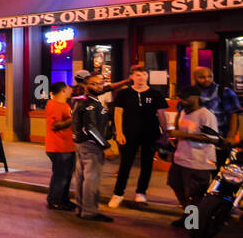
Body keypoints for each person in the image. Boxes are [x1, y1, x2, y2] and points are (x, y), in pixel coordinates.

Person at [109, 64, 166, 207]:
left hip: (150, 133)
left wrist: (165, 133)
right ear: (132, 77)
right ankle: (118, 193)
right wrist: (119, 132)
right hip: (129, 133)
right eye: (138, 75)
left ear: (147, 76)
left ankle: (141, 192)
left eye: (144, 74)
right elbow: (118, 113)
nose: (141, 77)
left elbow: (161, 114)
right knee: (125, 164)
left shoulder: (155, 94)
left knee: (147, 164)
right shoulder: (124, 94)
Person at [167, 85, 220, 228]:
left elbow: (213, 139)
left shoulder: (206, 115)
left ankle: (193, 224)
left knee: (195, 194)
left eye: (185, 97)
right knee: (175, 184)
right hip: (181, 158)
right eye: (180, 97)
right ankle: (188, 215)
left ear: (196, 98)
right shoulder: (183, 112)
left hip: (199, 161)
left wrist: (182, 135)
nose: (182, 100)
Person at [71, 72, 113, 222]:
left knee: (82, 177)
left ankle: (81, 208)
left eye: (100, 83)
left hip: (81, 144)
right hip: (91, 145)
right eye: (94, 83)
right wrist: (105, 146)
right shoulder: (89, 104)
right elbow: (90, 128)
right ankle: (89, 211)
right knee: (91, 178)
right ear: (86, 86)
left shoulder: (80, 101)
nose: (98, 86)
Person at [193, 66, 241, 163]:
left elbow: (233, 115)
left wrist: (231, 136)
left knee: (219, 170)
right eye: (202, 77)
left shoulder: (224, 91)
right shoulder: (190, 93)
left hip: (220, 140)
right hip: (195, 140)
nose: (207, 79)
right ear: (195, 78)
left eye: (210, 76)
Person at [44, 82, 76, 210]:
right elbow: (54, 125)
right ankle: (55, 201)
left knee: (66, 175)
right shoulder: (54, 105)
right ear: (63, 91)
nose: (70, 90)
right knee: (60, 176)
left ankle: (63, 199)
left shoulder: (64, 104)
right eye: (68, 88)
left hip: (67, 145)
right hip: (59, 146)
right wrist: (73, 118)